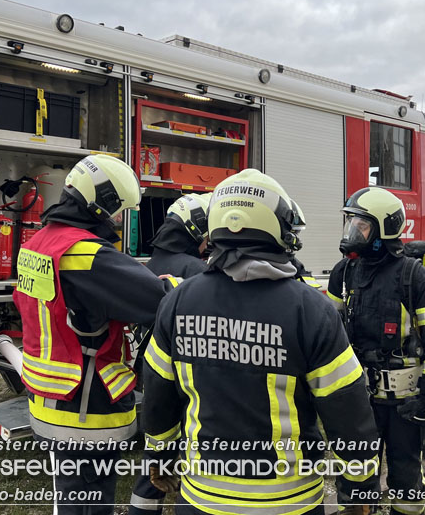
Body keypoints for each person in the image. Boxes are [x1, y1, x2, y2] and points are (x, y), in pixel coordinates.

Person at [142, 168, 381, 515]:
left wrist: (160, 458)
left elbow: (158, 396)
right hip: (288, 501)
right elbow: (347, 411)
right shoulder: (311, 309)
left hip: (202, 497)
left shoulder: (178, 301)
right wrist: (359, 490)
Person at [12, 154, 178, 515]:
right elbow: (161, 301)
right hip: (86, 408)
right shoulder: (88, 256)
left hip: (48, 396)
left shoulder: (39, 243)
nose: (119, 218)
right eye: (118, 209)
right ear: (101, 204)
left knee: (68, 494)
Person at [327, 187, 425, 515]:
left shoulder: (416, 279)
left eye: (361, 225)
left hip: (404, 404)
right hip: (359, 400)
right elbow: (330, 332)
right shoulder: (344, 273)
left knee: (405, 476)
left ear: (383, 229)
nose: (353, 231)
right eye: (352, 223)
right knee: (355, 475)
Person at [130, 192, 211, 515]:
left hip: (152, 367)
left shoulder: (153, 263)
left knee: (158, 453)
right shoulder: (195, 267)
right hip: (187, 370)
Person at [145, 193, 212, 278]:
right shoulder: (197, 270)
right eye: (206, 239)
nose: (206, 247)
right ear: (196, 230)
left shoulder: (150, 265)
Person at [286, 199, 324, 292]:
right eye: (291, 234)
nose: (295, 240)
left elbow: (312, 296)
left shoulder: (295, 265)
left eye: (296, 233)